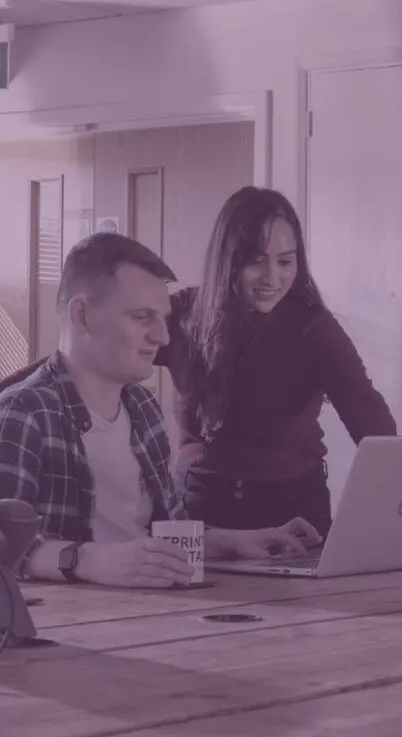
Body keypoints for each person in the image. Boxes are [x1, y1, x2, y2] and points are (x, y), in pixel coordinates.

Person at [0, 186, 397, 539]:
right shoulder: (186, 314)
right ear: (228, 259)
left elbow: (373, 425)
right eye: (257, 261)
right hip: (199, 505)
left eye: (286, 262)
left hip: (293, 506)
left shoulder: (314, 329)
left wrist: (384, 520)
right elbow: (87, 354)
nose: (272, 278)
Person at [0, 232, 321, 588]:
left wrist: (225, 541)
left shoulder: (143, 408)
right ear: (82, 315)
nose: (163, 337)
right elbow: (3, 547)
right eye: (142, 317)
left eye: (162, 318)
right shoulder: (23, 413)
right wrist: (88, 559)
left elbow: (158, 529)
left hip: (155, 612)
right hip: (71, 628)